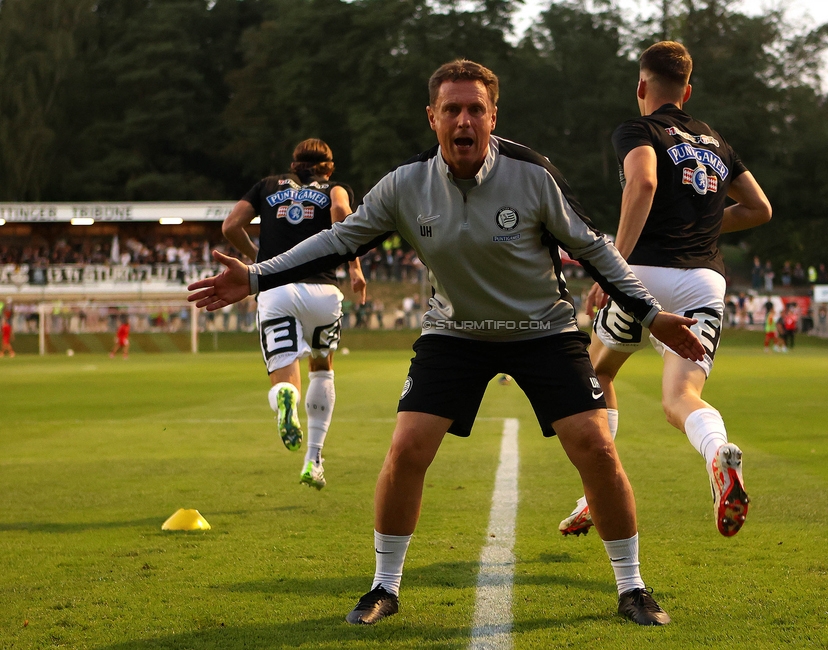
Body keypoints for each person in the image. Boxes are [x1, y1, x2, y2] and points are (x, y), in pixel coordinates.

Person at [188, 59, 706, 627]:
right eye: (452, 110)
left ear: (492, 116)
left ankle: (632, 587)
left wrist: (650, 313)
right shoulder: (405, 184)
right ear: (432, 117)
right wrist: (257, 276)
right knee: (406, 450)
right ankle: (384, 586)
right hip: (454, 334)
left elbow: (594, 249)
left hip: (543, 330)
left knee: (598, 449)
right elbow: (338, 240)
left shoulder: (532, 173)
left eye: (476, 109)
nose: (465, 120)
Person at [559, 41, 771, 540]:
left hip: (645, 275)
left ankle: (596, 491)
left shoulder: (638, 128)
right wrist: (702, 224)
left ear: (641, 86)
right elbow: (759, 208)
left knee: (597, 371)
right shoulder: (717, 142)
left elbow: (644, 184)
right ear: (688, 90)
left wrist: (615, 267)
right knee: (681, 395)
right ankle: (718, 451)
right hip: (705, 282)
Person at [220, 138, 367, 490]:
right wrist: (356, 268)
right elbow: (341, 214)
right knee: (322, 368)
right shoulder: (335, 188)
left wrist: (258, 258)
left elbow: (229, 226)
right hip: (323, 291)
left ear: (293, 164)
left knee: (285, 374)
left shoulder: (268, 186)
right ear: (329, 167)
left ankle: (286, 398)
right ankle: (314, 460)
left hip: (276, 289)